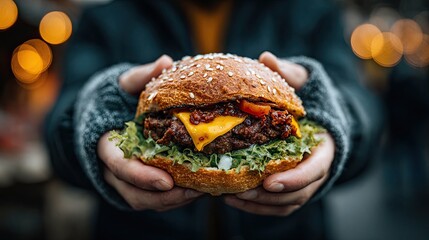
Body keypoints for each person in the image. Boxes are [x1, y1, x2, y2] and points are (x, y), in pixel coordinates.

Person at [44, 0, 383, 239]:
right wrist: (91, 115)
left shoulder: (311, 10)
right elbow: (55, 124)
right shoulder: (106, 17)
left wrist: (338, 117)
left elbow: (366, 108)